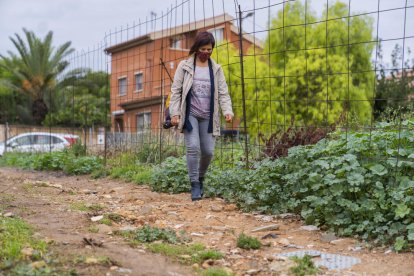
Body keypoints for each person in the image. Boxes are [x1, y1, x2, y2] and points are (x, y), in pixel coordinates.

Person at [169, 31, 234, 201]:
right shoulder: (185, 67)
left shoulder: (216, 69)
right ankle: (194, 184)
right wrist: (175, 113)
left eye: (209, 49)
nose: (206, 52)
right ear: (197, 48)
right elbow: (175, 91)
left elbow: (224, 93)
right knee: (193, 147)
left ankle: (200, 177)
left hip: (208, 116)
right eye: (203, 49)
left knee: (208, 151)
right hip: (190, 113)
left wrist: (227, 110)